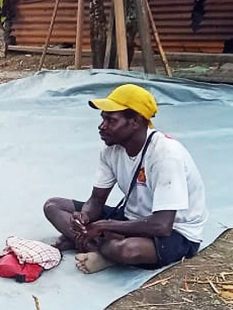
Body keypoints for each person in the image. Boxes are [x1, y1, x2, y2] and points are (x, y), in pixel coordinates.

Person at [44, 84, 208, 274]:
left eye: (111, 120)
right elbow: (96, 199)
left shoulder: (166, 155)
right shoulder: (110, 148)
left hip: (175, 231)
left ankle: (98, 248)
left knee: (128, 249)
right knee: (53, 206)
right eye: (103, 118)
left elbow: (162, 225)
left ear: (136, 121)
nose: (102, 126)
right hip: (132, 218)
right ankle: (100, 247)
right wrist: (85, 217)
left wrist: (104, 226)